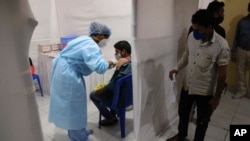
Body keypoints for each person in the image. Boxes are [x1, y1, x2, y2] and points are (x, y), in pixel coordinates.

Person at [166, 10, 230, 141]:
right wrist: (176, 68)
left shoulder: (222, 46)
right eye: (194, 28)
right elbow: (187, 55)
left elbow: (222, 76)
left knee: (202, 121)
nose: (195, 32)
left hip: (205, 92)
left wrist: (217, 98)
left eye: (199, 30)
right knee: (183, 113)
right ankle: (181, 135)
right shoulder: (192, 37)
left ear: (210, 28)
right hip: (187, 85)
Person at [48, 22, 116, 141]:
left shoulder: (83, 39)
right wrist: (110, 62)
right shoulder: (91, 45)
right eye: (106, 38)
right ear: (99, 34)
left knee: (74, 106)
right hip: (68, 76)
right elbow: (99, 67)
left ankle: (81, 131)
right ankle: (78, 137)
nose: (105, 41)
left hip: (63, 71)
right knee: (74, 107)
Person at [90, 40, 132, 126]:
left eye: (117, 52)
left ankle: (110, 118)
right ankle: (113, 114)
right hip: (128, 97)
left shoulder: (121, 63)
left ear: (123, 51)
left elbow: (113, 86)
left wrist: (102, 90)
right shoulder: (132, 62)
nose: (115, 54)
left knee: (93, 94)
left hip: (118, 99)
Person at [231, 2, 250, 99]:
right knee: (240, 71)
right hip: (241, 49)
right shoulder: (242, 22)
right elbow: (236, 38)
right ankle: (241, 91)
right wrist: (233, 52)